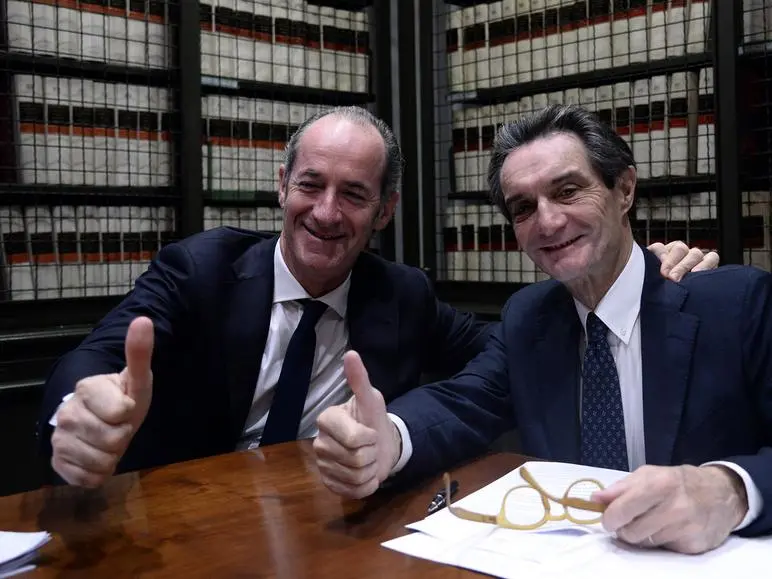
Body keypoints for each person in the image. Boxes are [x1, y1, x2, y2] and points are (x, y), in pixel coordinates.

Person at [41, 106, 715, 490]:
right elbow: (96, 359)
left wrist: (629, 283)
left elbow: (510, 357)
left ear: (385, 211)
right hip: (185, 512)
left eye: (355, 194)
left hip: (330, 512)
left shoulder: (401, 293)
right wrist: (79, 412)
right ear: (282, 186)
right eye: (311, 185)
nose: (326, 212)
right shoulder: (202, 268)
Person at [313, 104, 772, 556]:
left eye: (568, 191)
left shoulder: (735, 305)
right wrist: (388, 439)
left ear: (624, 189)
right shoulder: (529, 318)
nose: (548, 222)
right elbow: (463, 401)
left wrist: (731, 490)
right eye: (524, 208)